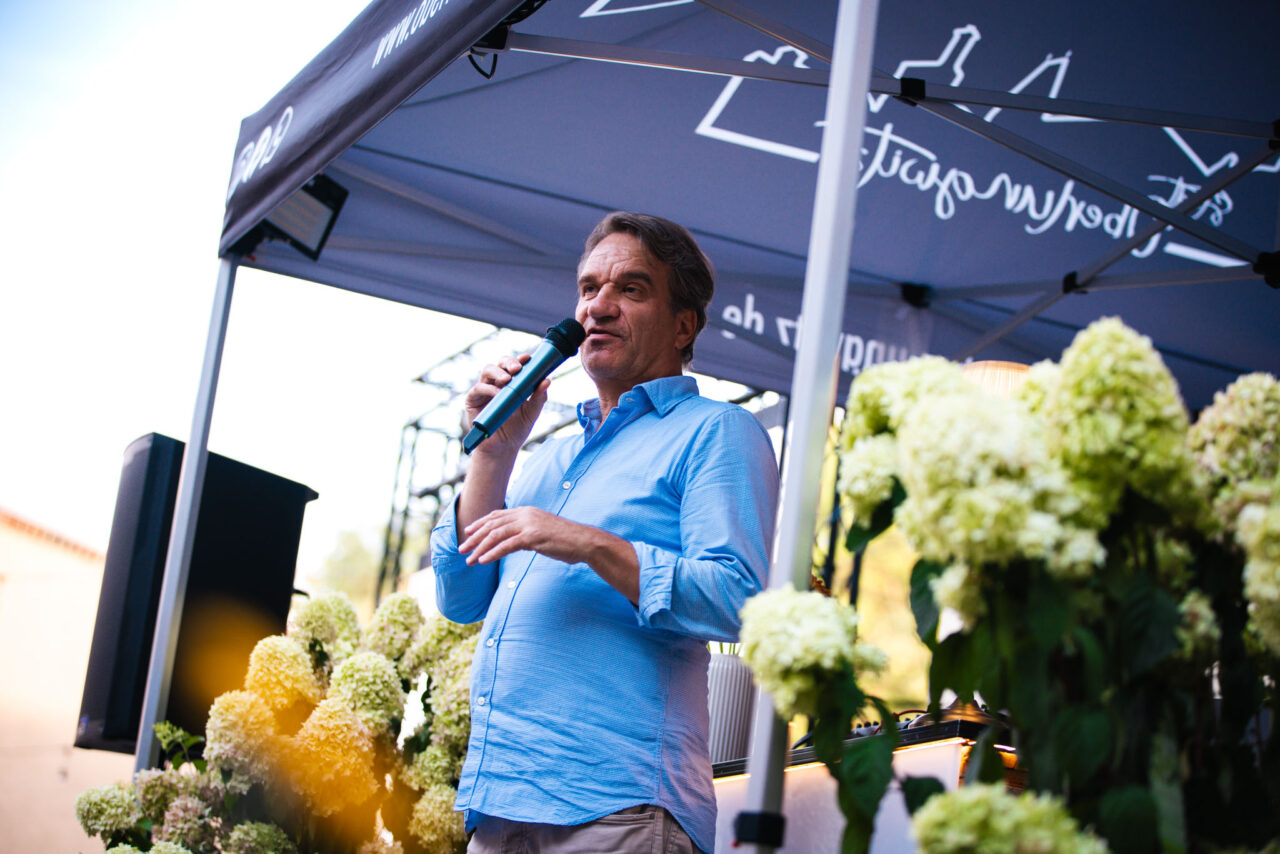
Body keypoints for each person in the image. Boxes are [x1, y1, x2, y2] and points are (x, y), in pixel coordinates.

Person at [430, 211, 780, 854]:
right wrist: (493, 454)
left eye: (631, 289)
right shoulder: (549, 461)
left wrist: (583, 541)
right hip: (498, 803)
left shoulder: (715, 431)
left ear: (684, 325)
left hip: (617, 809)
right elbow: (460, 599)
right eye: (589, 289)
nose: (599, 306)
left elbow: (740, 601)